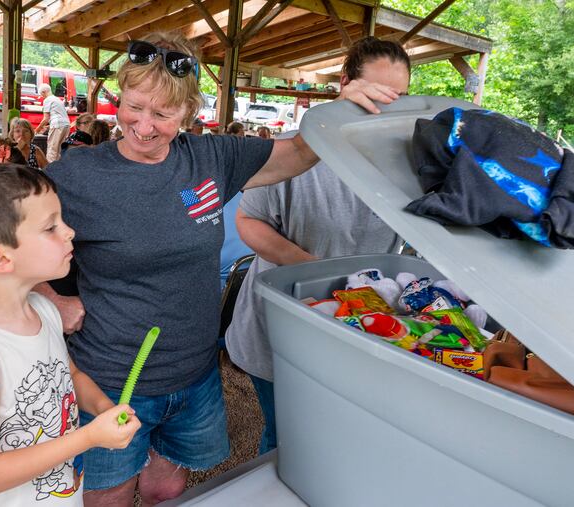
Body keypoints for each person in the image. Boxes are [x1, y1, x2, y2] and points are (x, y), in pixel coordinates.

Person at [45, 31, 399, 506]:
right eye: (134, 106)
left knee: (168, 486)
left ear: (189, 112)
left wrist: (336, 115)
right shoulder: (76, 174)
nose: (144, 126)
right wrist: (53, 300)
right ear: (119, 96)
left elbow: (294, 154)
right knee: (107, 495)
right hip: (111, 377)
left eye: (164, 114)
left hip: (195, 374)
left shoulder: (210, 156)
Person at [225, 36, 411, 455]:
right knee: (285, 441)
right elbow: (248, 222)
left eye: (396, 99)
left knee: (337, 436)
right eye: (373, 94)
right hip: (280, 327)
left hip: (360, 328)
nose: (383, 108)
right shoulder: (292, 151)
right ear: (345, 85)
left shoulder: (405, 163)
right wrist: (319, 272)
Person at [0, 164, 140, 504]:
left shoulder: (42, 309)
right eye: (51, 227)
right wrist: (88, 438)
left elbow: (70, 374)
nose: (70, 232)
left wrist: (103, 408)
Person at [36, 84, 70, 163]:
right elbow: (59, 115)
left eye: (42, 95)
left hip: (57, 125)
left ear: (44, 92)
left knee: (52, 150)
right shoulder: (57, 99)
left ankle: (49, 171)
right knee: (60, 150)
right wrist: (48, 126)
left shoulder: (47, 100)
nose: (42, 97)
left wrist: (37, 130)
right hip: (66, 125)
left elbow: (46, 118)